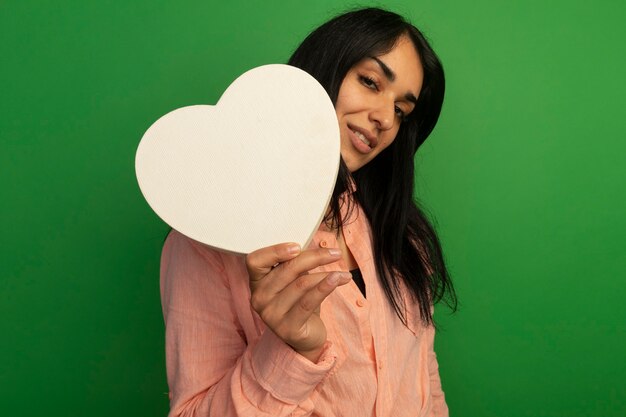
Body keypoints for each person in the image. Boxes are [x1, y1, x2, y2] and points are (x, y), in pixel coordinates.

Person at [160, 7, 457, 417]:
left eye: (402, 111)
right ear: (323, 69)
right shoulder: (208, 243)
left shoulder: (398, 234)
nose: (385, 118)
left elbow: (425, 385)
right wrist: (291, 350)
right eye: (370, 82)